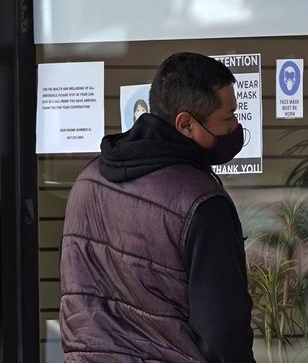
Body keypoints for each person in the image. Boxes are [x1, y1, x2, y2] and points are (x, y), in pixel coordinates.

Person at [60, 52, 255, 362]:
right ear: (186, 124)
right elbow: (223, 334)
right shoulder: (200, 202)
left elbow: (76, 299)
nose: (236, 126)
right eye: (228, 117)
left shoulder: (88, 180)